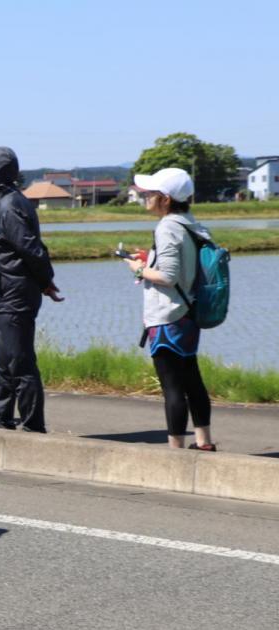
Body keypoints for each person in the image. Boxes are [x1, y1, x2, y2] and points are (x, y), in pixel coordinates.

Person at [0, 146, 63, 433]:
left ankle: (33, 426)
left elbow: (32, 250)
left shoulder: (10, 206)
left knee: (20, 363)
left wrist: (46, 281)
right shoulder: (2, 202)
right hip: (3, 297)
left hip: (14, 297)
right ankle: (0, 420)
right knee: (2, 364)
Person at [126, 167, 215, 451]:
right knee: (192, 381)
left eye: (150, 193)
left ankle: (175, 451)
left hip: (167, 316)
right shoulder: (191, 224)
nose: (145, 197)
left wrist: (138, 268)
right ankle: (204, 442)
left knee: (173, 387)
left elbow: (167, 276)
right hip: (189, 312)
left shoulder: (166, 227)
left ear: (165, 199)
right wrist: (149, 260)